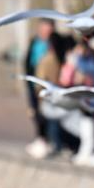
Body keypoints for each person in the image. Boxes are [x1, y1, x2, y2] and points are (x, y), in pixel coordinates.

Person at [23, 19, 67, 158]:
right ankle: (41, 139)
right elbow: (28, 62)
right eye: (44, 27)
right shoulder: (34, 42)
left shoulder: (56, 42)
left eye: (49, 27)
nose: (46, 30)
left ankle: (53, 143)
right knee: (36, 112)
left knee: (50, 115)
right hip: (34, 83)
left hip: (49, 85)